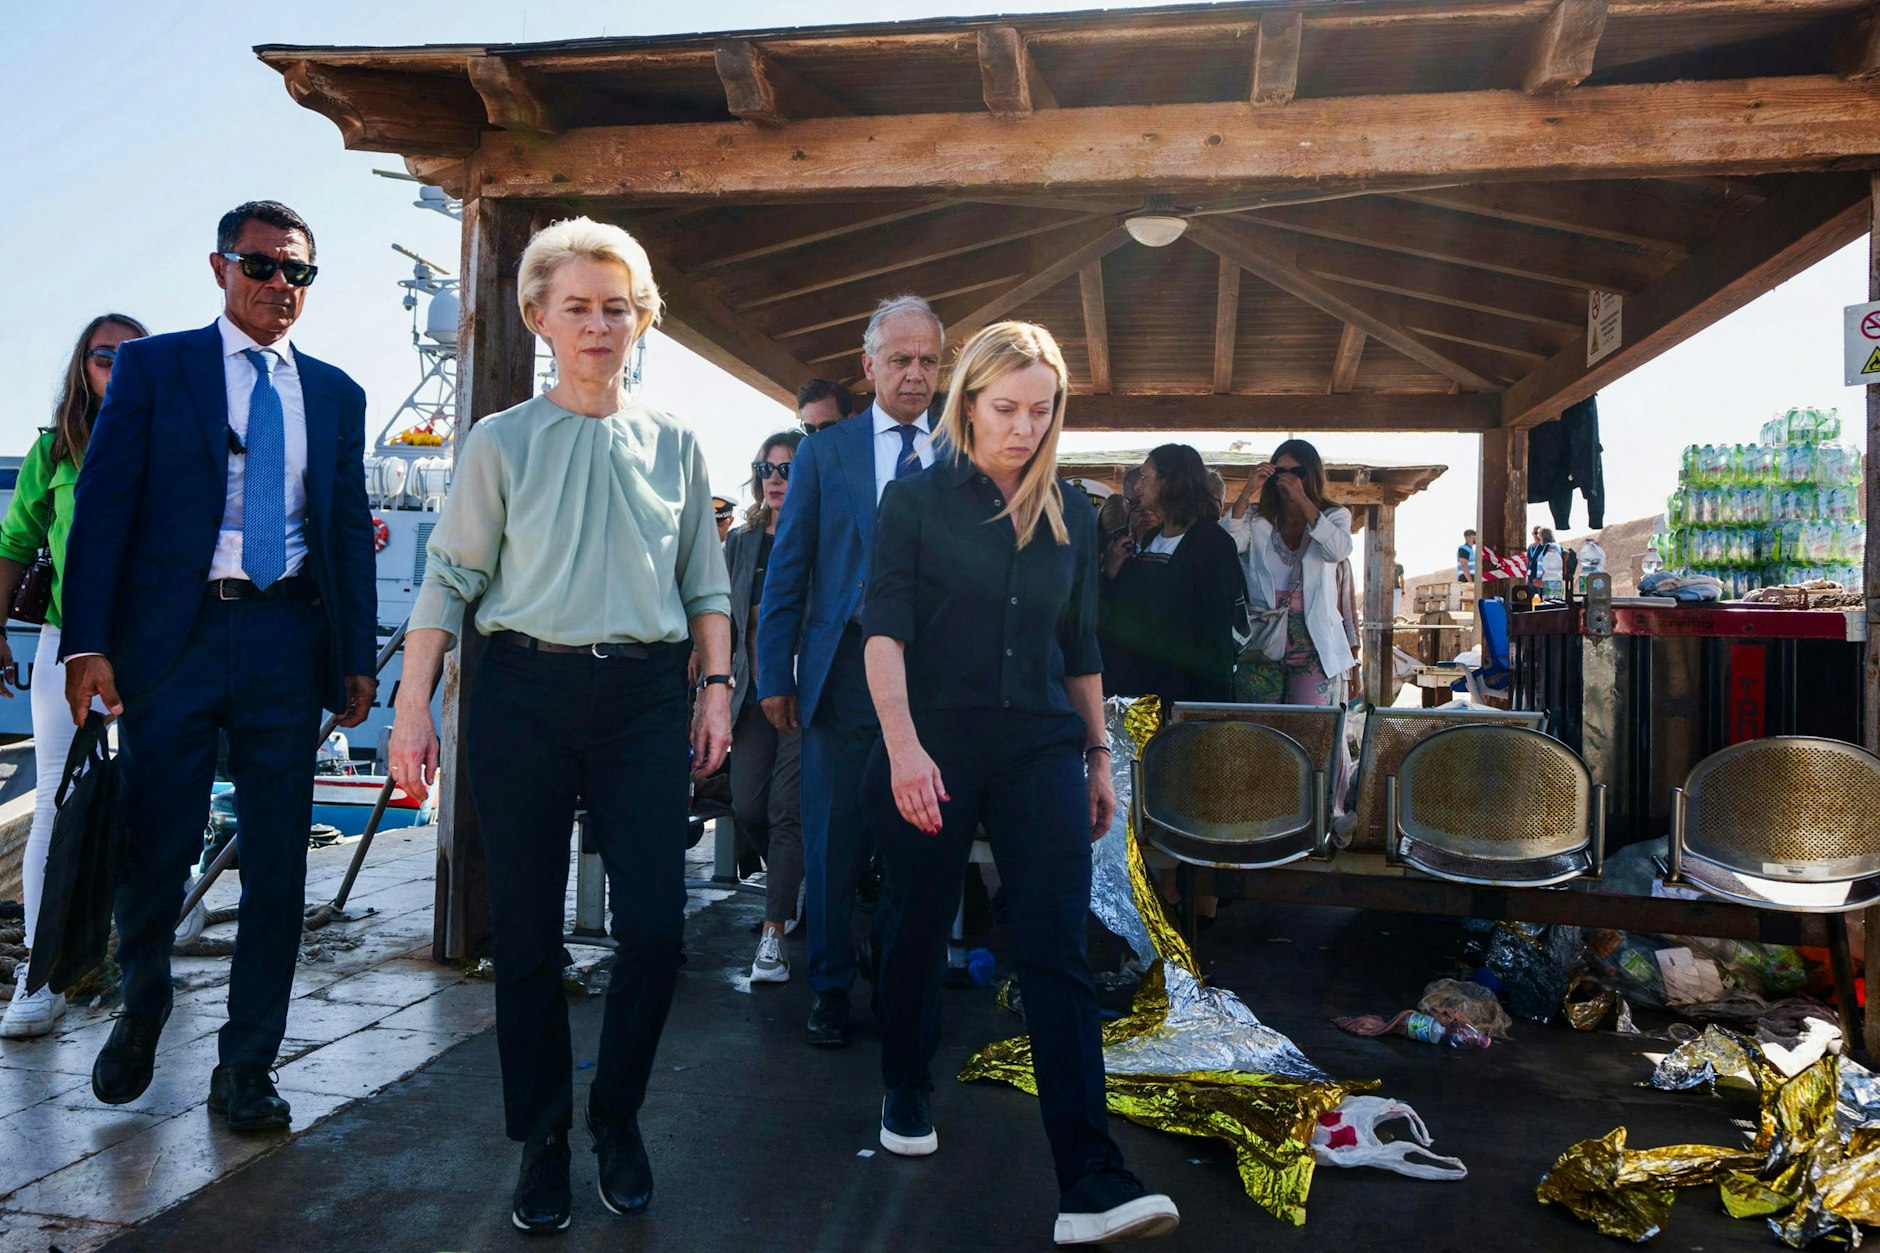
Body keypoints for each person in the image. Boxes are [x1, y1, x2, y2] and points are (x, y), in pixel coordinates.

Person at [388, 216, 732, 1233]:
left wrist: (715, 685)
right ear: (539, 316)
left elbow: (703, 579)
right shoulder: (499, 441)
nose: (596, 323)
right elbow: (447, 579)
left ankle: (614, 1115)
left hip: (638, 704)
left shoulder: (674, 441)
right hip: (521, 698)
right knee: (528, 937)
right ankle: (541, 1134)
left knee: (659, 932)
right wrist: (414, 706)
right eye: (576, 305)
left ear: (641, 321)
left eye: (614, 306)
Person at [60, 202, 377, 1130]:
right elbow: (106, 508)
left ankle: (247, 1064)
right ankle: (143, 1004)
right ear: (219, 267)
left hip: (287, 640)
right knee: (155, 846)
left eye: (298, 274)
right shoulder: (157, 369)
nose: (281, 284)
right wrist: (87, 643)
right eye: (263, 265)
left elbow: (347, 532)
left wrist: (356, 654)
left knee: (278, 864)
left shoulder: (337, 393)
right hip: (176, 640)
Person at [862, 321, 1179, 1245]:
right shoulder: (914, 503)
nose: (1023, 428)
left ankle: (1091, 1178)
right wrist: (903, 745)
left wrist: (1097, 754)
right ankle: (906, 1083)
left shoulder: (1075, 515)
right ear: (968, 402)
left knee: (1056, 947)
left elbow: (1078, 646)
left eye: (1042, 411)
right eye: (1006, 408)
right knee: (917, 925)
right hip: (933, 743)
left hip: (1042, 746)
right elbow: (884, 631)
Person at [758, 294, 943, 1048]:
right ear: (869, 367)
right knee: (830, 842)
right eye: (898, 359)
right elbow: (789, 567)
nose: (914, 374)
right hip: (838, 679)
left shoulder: (961, 452)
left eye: (928, 359)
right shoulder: (823, 453)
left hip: (931, 686)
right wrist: (775, 672)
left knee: (922, 842)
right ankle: (830, 988)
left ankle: (906, 987)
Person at [0, 313, 148, 1038]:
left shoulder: (171, 442)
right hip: (67, 642)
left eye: (131, 357)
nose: (115, 369)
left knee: (160, 790)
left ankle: (160, 923)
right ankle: (40, 970)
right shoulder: (54, 452)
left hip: (155, 644)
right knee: (59, 801)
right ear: (81, 369)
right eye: (101, 357)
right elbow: (14, 540)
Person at [727, 430, 806, 983]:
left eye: (786, 469)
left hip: (803, 694)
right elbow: (717, 610)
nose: (774, 479)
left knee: (785, 812)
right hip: (750, 695)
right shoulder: (741, 542)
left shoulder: (825, 534)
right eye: (766, 469)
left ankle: (773, 930)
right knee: (747, 805)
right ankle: (791, 878)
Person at [1103, 445, 1243, 705]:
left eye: (1145, 477)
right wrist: (1112, 571)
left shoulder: (1210, 542)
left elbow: (1215, 633)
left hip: (1185, 695)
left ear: (1169, 482)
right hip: (1141, 693)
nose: (1138, 487)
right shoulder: (1151, 540)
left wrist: (1208, 710)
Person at [1223, 439, 1357, 708]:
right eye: (1278, 472)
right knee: (1260, 729)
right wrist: (1247, 491)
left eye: (1297, 472)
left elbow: (1337, 551)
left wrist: (1302, 499)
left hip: (1314, 640)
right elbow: (1228, 544)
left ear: (1312, 475)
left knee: (1306, 729)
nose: (1286, 479)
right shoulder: (1256, 517)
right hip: (1263, 635)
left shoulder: (1334, 515)